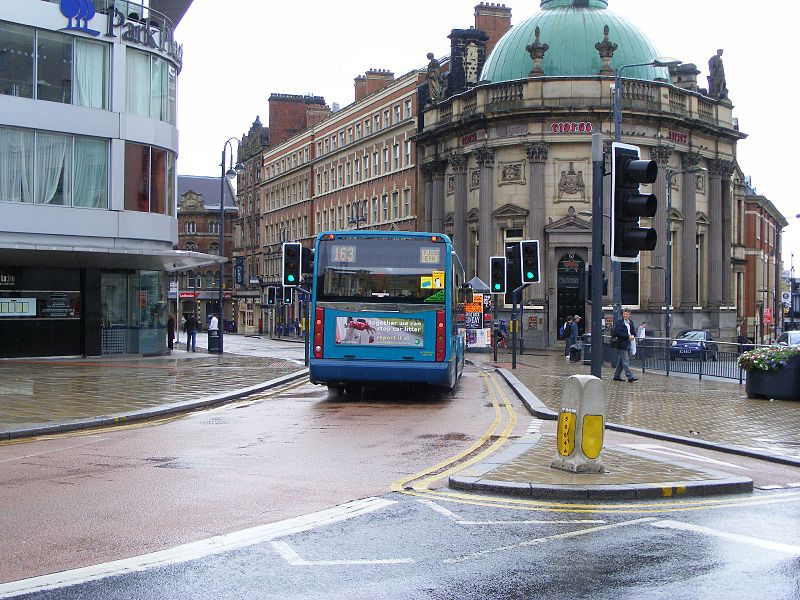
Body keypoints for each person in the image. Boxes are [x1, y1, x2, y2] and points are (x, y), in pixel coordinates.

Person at [612, 309, 637, 382]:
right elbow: (617, 332)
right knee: (625, 360)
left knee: (621, 361)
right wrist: (627, 336)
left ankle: (616, 376)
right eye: (624, 314)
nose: (625, 315)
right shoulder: (619, 322)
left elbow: (633, 332)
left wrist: (633, 336)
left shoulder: (630, 322)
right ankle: (630, 376)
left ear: (629, 315)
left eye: (627, 314)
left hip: (629, 342)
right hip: (622, 343)